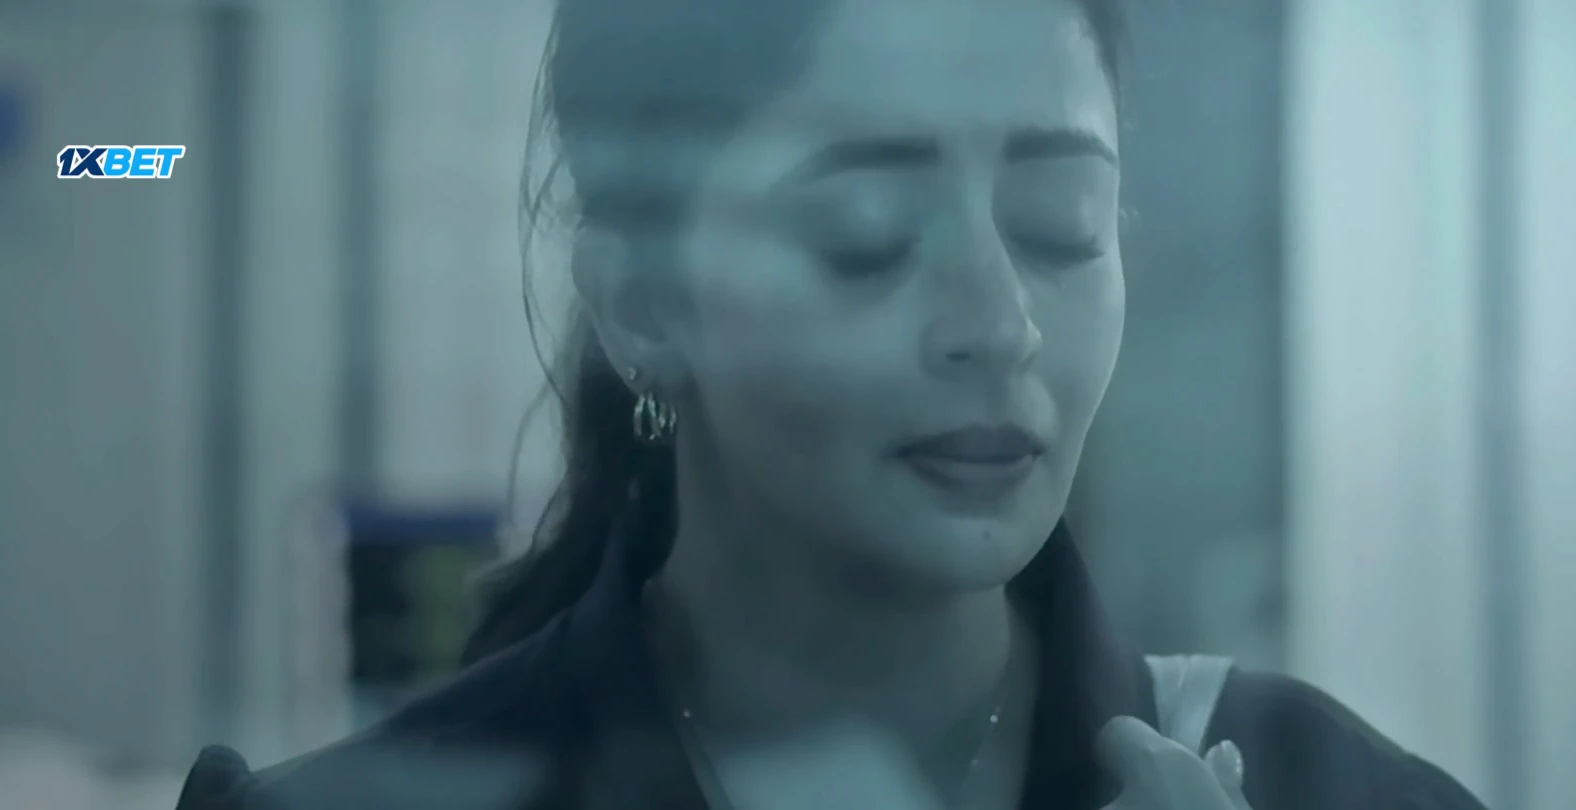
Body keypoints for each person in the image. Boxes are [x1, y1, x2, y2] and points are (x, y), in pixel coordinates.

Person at [175, 0, 1488, 807]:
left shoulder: (1327, 791)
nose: (1000, 321)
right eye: (866, 232)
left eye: (1060, 223)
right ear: (642, 302)